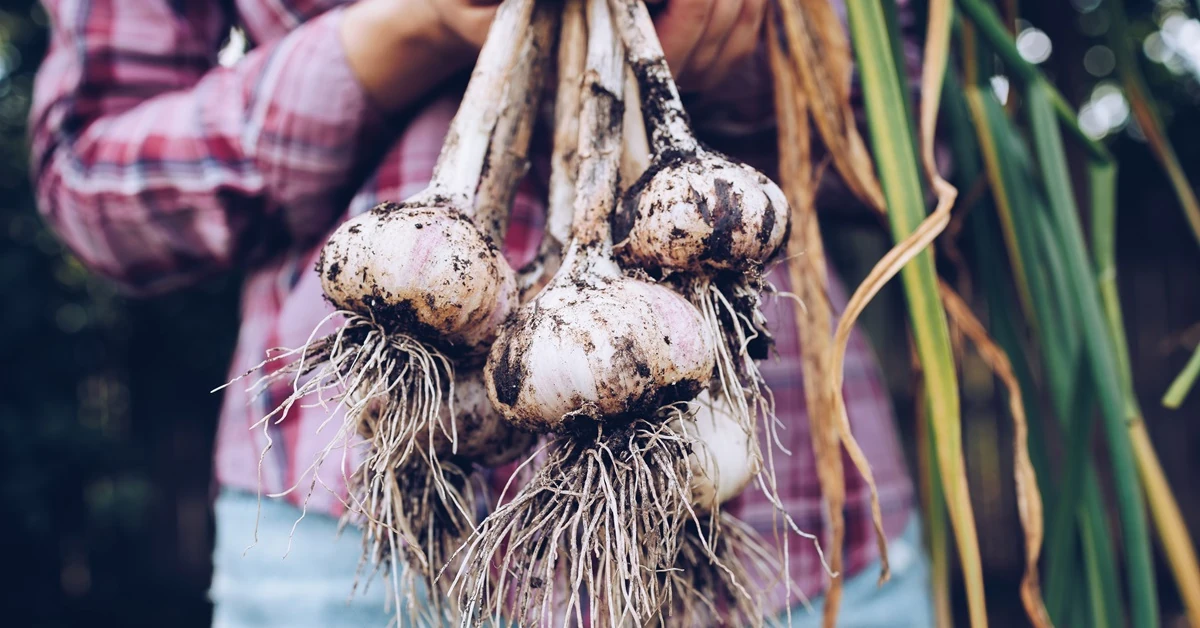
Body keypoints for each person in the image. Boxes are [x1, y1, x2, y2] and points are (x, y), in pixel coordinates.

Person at [30, 0, 930, 625]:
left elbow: (928, 154)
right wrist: (405, 29)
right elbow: (92, 186)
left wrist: (762, 59)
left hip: (793, 538)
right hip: (353, 536)